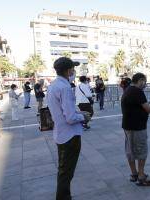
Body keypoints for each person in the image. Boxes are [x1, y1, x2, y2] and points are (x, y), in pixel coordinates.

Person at [47, 57, 91, 200]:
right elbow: (70, 118)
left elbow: (63, 111)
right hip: (70, 135)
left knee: (64, 170)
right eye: (73, 68)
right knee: (66, 172)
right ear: (68, 70)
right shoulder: (65, 87)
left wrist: (78, 113)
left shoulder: (53, 85)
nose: (74, 71)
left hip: (61, 134)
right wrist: (83, 117)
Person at [121, 73, 150, 186]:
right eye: (145, 82)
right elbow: (149, 110)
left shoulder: (129, 90)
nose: (145, 84)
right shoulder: (138, 92)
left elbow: (139, 106)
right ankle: (141, 176)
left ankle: (134, 174)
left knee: (130, 150)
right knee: (141, 151)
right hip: (136, 127)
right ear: (140, 80)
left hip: (128, 126)